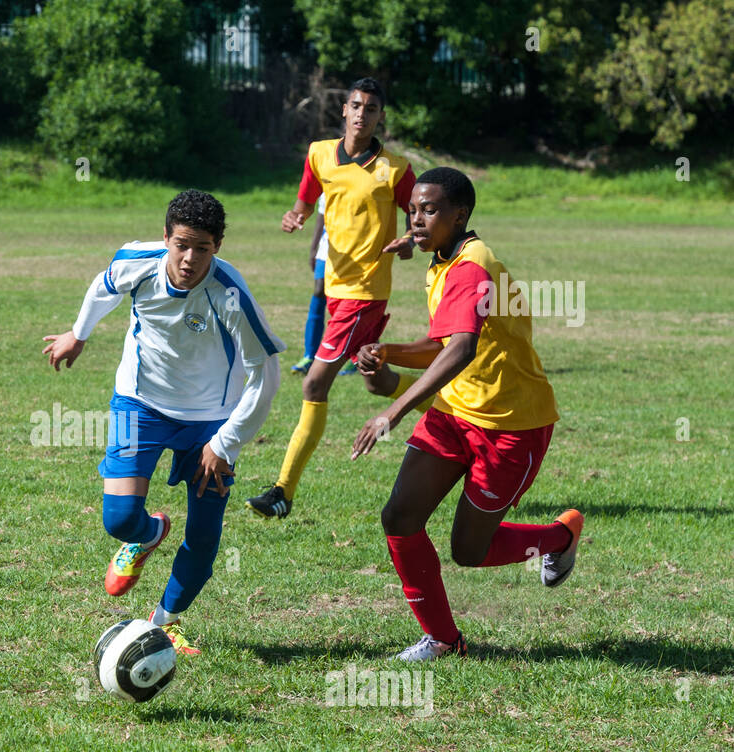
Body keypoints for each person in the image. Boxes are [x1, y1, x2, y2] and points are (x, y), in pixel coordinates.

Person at [350, 167, 583, 662]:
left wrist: (391, 412)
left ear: (461, 215)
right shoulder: (445, 257)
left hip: (510, 425)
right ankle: (443, 639)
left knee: (468, 551)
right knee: (400, 516)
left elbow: (460, 350)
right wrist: (386, 349)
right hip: (455, 412)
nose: (416, 219)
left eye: (429, 210)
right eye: (412, 209)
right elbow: (442, 343)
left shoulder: (473, 267)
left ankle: (559, 537)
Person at [43, 190, 285, 655]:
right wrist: (79, 333)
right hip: (141, 403)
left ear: (218, 246)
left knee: (204, 537)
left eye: (203, 248)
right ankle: (149, 534)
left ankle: (164, 621)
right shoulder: (137, 261)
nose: (190, 259)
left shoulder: (230, 294)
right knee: (118, 519)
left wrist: (226, 443)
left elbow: (266, 376)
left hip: (211, 422)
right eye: (181, 244)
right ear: (165, 238)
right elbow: (103, 286)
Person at [247, 77, 426, 520]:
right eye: (356, 105)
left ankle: (283, 490)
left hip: (365, 293)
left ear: (381, 117)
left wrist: (409, 240)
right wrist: (295, 216)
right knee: (375, 379)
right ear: (344, 111)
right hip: (336, 289)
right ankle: (445, 403)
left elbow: (422, 216)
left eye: (372, 108)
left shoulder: (396, 169)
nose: (362, 113)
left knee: (313, 382)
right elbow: (306, 203)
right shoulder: (319, 154)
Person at [290, 192, 330, 376]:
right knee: (319, 290)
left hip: (358, 245)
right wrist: (314, 248)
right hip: (328, 243)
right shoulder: (329, 173)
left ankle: (354, 355)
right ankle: (309, 355)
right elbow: (321, 216)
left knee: (352, 299)